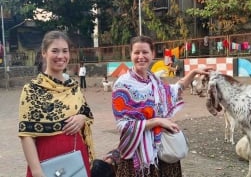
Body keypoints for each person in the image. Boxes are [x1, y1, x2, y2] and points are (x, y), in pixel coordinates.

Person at [111, 35, 212, 177]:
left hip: (162, 150)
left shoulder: (155, 82)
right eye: (136, 52)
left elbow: (177, 89)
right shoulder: (122, 85)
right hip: (137, 156)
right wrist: (157, 121)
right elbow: (123, 125)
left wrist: (193, 73)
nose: (141, 56)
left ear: (152, 54)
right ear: (131, 55)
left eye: (145, 52)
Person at [18, 30, 95, 177]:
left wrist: (81, 118)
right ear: (44, 53)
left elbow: (86, 112)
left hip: (76, 157)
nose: (61, 56)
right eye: (55, 51)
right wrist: (37, 172)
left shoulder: (73, 87)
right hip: (46, 160)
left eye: (65, 51)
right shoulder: (32, 89)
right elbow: (26, 134)